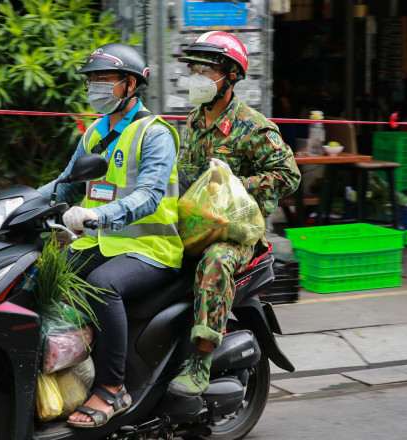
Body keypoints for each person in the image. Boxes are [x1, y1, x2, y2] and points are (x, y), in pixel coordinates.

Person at [37, 43, 183, 428]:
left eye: (103, 79)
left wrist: (94, 215)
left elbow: (149, 196)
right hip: (99, 242)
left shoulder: (156, 134)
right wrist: (17, 206)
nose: (94, 87)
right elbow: (65, 186)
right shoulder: (95, 133)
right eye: (92, 81)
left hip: (150, 247)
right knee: (39, 272)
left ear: (130, 84)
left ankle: (112, 389)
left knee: (102, 286)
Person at [167, 31, 301, 397]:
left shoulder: (253, 126)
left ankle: (201, 362)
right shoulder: (193, 122)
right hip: (194, 229)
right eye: (193, 69)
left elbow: (289, 175)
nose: (196, 77)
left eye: (206, 70)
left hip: (237, 236)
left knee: (215, 262)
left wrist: (234, 185)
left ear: (232, 77)